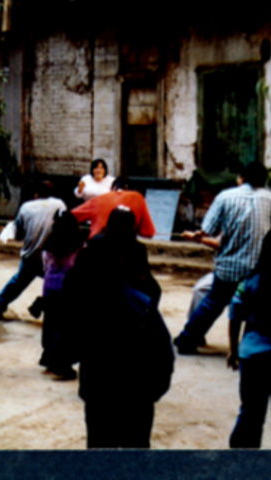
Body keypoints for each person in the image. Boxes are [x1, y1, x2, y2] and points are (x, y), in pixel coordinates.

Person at [65, 207, 174, 448]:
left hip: (99, 373)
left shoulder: (91, 255)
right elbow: (163, 351)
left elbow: (71, 298)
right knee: (134, 443)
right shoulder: (137, 260)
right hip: (136, 378)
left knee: (100, 442)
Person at [174, 162, 271, 355]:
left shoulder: (225, 197)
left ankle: (187, 339)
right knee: (254, 309)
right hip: (259, 270)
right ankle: (248, 347)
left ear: (240, 177)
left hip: (229, 268)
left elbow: (206, 230)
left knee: (212, 303)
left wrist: (193, 236)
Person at [0, 182, 66, 321]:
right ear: (52, 194)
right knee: (59, 285)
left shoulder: (26, 207)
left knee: (18, 283)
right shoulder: (59, 204)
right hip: (50, 256)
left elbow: (18, 234)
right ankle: (42, 304)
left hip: (31, 255)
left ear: (36, 195)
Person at [227, 231, 271, 448]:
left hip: (254, 353)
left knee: (251, 413)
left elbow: (235, 315)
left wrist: (233, 350)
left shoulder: (252, 280)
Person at [39, 210, 84, 380]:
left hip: (50, 286)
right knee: (65, 326)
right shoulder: (79, 245)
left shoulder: (50, 244)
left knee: (49, 323)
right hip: (69, 288)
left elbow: (45, 265)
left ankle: (48, 356)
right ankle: (61, 361)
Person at [72, 176, 156, 240]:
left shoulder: (99, 200)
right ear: (128, 188)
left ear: (114, 188)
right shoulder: (138, 198)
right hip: (127, 247)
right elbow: (149, 232)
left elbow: (70, 216)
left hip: (99, 245)